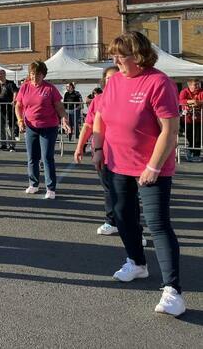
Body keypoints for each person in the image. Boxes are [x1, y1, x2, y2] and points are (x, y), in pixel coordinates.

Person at [92, 31, 185, 317]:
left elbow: (170, 130)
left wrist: (153, 167)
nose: (115, 59)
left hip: (150, 167)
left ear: (139, 55)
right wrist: (97, 148)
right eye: (114, 54)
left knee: (158, 225)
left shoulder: (159, 83)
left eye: (121, 54)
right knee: (123, 218)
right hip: (116, 163)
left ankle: (173, 291)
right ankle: (137, 263)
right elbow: (101, 116)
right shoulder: (115, 82)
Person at [15, 61, 71, 199]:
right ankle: (33, 184)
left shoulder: (50, 89)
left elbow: (59, 107)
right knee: (32, 157)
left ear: (43, 75)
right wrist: (20, 120)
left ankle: (50, 188)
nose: (35, 77)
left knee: (46, 157)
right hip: (30, 127)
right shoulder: (24, 87)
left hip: (49, 127)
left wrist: (64, 118)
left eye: (38, 74)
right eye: (33, 74)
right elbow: (18, 106)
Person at [75, 66, 120, 235]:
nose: (113, 81)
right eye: (109, 79)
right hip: (102, 151)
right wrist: (80, 146)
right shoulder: (98, 99)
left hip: (124, 153)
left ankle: (133, 228)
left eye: (117, 77)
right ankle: (111, 221)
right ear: (104, 81)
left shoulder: (128, 98)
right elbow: (88, 125)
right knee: (108, 188)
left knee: (127, 192)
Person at [179, 78, 202, 162]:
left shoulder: (201, 92)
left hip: (200, 119)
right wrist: (192, 101)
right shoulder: (184, 92)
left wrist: (198, 102)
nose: (197, 86)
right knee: (189, 136)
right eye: (195, 85)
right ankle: (190, 150)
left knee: (198, 137)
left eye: (198, 84)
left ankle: (196, 155)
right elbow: (181, 100)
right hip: (187, 119)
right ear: (190, 85)